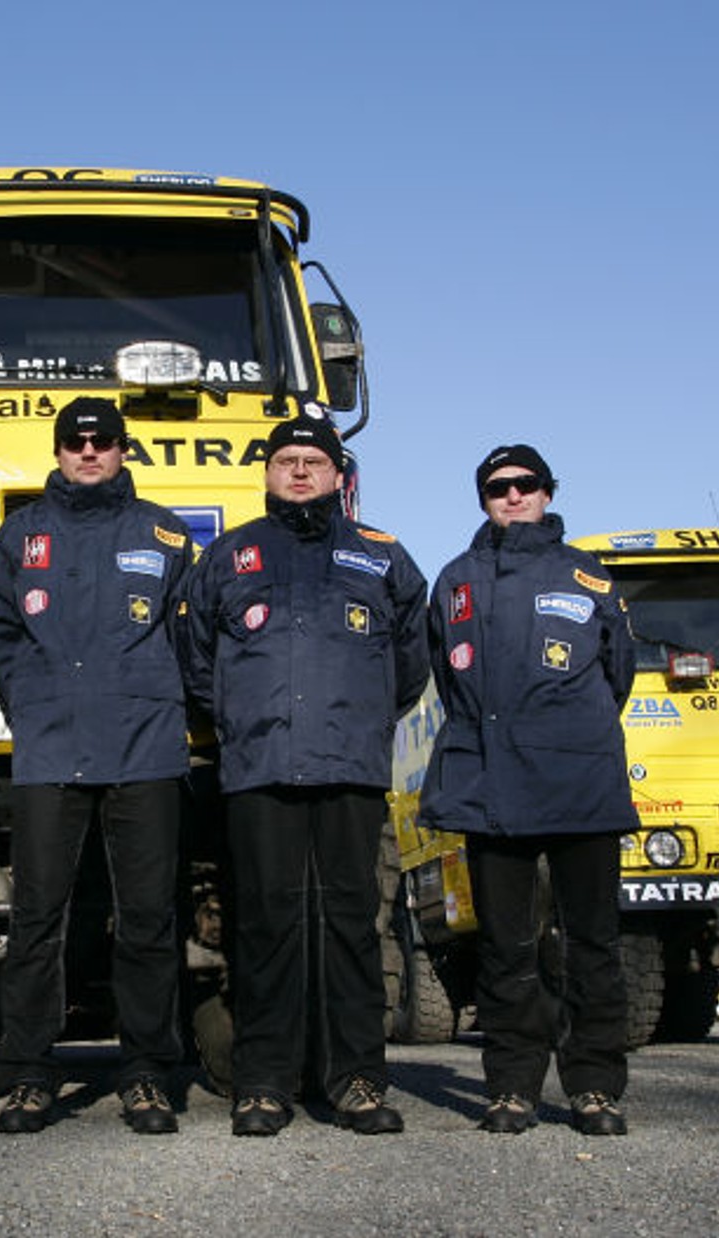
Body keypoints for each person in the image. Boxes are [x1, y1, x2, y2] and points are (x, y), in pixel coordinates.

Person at [181, 415, 429, 1137]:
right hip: (259, 768)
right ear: (266, 472)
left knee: (353, 926)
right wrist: (240, 716)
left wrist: (364, 717)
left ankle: (355, 1080)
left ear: (337, 474)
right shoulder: (228, 556)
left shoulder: (383, 559)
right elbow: (197, 658)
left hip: (350, 767)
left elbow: (410, 664)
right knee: (264, 927)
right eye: (285, 460)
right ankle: (263, 1084)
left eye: (312, 461)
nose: (298, 472)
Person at [0, 397, 193, 1136]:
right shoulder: (23, 534)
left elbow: (188, 637)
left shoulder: (164, 534)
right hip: (50, 749)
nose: (89, 452)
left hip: (145, 748)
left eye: (102, 441)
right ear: (60, 450)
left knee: (147, 921)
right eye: (76, 442)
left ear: (123, 450)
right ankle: (31, 1075)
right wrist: (32, 701)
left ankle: (146, 1074)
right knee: (37, 920)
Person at [416, 444, 638, 1137]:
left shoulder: (589, 578)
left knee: (591, 944)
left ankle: (595, 1088)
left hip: (581, 785)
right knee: (506, 948)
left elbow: (618, 676)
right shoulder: (455, 580)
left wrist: (565, 732)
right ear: (483, 498)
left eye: (524, 485)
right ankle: (511, 1087)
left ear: (548, 492)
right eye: (496, 488)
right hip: (492, 787)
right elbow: (447, 677)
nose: (511, 497)